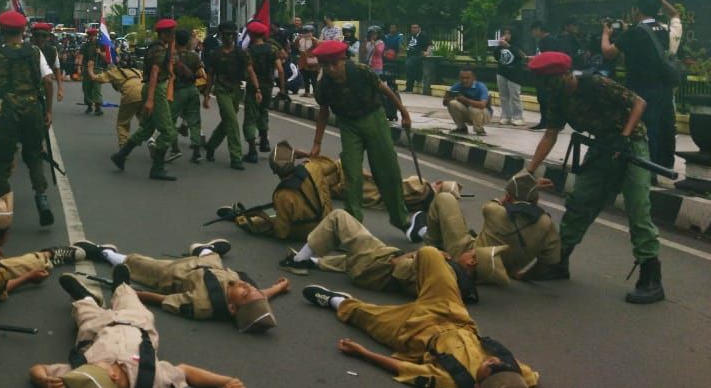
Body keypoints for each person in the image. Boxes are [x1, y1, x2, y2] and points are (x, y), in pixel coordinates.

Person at [302, 246, 539, 388]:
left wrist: (363, 353)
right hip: (452, 312)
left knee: (363, 315)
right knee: (430, 254)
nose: (496, 361)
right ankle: (407, 282)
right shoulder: (518, 375)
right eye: (502, 367)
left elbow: (403, 369)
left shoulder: (454, 382)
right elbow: (532, 378)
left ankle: (336, 300)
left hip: (412, 330)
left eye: (492, 369)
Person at [525, 51, 664, 303]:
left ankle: (650, 275)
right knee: (580, 202)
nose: (546, 86)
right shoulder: (557, 97)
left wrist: (624, 136)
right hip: (602, 146)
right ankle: (558, 261)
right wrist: (528, 170)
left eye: (550, 79)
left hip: (631, 143)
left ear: (567, 74)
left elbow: (639, 103)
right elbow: (550, 134)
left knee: (637, 207)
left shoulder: (595, 84)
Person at [29, 268, 248, 388]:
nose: (95, 365)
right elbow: (186, 372)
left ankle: (86, 297)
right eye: (98, 367)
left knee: (84, 310)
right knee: (128, 295)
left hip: (95, 328)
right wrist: (226, 380)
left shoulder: (82, 379)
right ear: (114, 376)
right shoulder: (152, 380)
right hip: (137, 322)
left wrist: (46, 381)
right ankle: (121, 286)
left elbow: (37, 369)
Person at [76, 237, 286, 332]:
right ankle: (204, 248)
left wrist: (138, 294)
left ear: (232, 308)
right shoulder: (245, 290)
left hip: (178, 273)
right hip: (212, 267)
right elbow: (262, 295)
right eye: (251, 289)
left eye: (244, 293)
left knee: (143, 265)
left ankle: (104, 252)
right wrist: (279, 288)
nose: (247, 286)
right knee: (212, 256)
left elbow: (167, 300)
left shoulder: (203, 303)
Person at [282, 207, 505, 295]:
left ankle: (299, 260)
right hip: (378, 266)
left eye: (472, 253)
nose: (467, 252)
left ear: (472, 263)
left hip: (374, 269)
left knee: (339, 217)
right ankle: (314, 262)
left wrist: (421, 255)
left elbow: (398, 267)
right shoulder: (455, 285)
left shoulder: (444, 269)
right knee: (359, 248)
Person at [309, 40, 412, 230]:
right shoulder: (324, 86)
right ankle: (353, 224)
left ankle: (401, 219)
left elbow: (385, 89)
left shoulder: (361, 71)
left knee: (387, 169)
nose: (331, 69)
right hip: (348, 124)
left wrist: (403, 113)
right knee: (351, 172)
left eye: (335, 64)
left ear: (343, 59)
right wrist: (317, 143)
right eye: (326, 65)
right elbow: (323, 112)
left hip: (373, 118)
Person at [408, 172, 562, 282]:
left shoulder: (494, 210)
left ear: (508, 197)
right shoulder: (547, 224)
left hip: (467, 259)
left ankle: (433, 249)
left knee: (445, 198)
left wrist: (529, 187)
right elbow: (550, 260)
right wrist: (522, 276)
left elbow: (507, 196)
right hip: (503, 272)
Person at [0, 10, 56, 225]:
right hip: (33, 109)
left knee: (3, 159)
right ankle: (42, 199)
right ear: (23, 31)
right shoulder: (34, 52)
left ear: (3, 32)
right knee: (33, 155)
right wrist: (48, 111)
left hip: (10, 110)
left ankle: (2, 207)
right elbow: (48, 81)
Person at [600, 0, 677, 171]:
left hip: (641, 89)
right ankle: (663, 167)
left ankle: (646, 170)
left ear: (637, 10)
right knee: (664, 126)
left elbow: (608, 52)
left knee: (646, 130)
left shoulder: (633, 33)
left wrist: (605, 35)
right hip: (664, 88)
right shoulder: (663, 30)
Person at [214, 141, 337, 242]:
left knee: (265, 220)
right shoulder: (312, 167)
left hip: (311, 232)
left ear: (275, 171)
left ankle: (241, 217)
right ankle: (244, 214)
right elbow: (332, 164)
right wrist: (307, 156)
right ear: (294, 159)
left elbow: (281, 233)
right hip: (328, 222)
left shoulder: (282, 195)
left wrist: (265, 217)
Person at [110, 19, 180, 181]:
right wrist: (150, 100)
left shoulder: (159, 48)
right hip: (155, 90)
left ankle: (121, 155)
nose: (173, 36)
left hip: (152, 88)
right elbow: (155, 73)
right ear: (164, 34)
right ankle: (157, 167)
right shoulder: (158, 50)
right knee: (169, 132)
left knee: (147, 129)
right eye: (171, 33)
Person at [202, 21, 259, 170]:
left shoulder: (241, 53)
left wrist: (257, 89)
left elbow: (250, 70)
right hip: (221, 89)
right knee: (232, 122)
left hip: (236, 89)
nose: (229, 37)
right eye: (226, 34)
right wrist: (207, 95)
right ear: (221, 35)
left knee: (228, 121)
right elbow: (211, 75)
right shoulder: (215, 53)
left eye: (232, 34)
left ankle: (211, 146)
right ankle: (236, 157)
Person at [243, 21, 283, 157]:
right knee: (263, 112)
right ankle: (264, 139)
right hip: (268, 86)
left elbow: (250, 71)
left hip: (254, 88)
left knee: (250, 117)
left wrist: (257, 88)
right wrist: (282, 89)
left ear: (252, 35)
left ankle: (252, 151)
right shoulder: (272, 49)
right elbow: (281, 70)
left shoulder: (249, 51)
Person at [88, 58, 144, 147]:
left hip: (130, 92)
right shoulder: (136, 71)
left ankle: (124, 147)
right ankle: (152, 140)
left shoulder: (113, 72)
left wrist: (90, 68)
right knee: (145, 121)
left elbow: (95, 78)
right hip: (144, 92)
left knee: (122, 123)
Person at [171, 28, 206, 163]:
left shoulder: (172, 56)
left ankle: (174, 147)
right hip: (192, 90)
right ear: (187, 41)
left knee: (170, 120)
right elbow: (201, 74)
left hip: (177, 91)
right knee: (195, 121)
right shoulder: (194, 56)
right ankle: (196, 152)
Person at [492, 27, 527, 126]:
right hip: (502, 72)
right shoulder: (502, 45)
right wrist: (498, 46)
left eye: (509, 34)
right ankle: (505, 116)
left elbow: (521, 56)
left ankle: (518, 117)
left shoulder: (517, 45)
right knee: (503, 96)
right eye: (505, 33)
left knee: (514, 96)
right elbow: (496, 56)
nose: (506, 36)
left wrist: (509, 46)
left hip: (514, 74)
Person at [443, 67, 491, 136]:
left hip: (483, 114)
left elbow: (482, 105)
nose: (464, 80)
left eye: (467, 78)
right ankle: (461, 128)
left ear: (474, 78)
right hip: (467, 112)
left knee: (474, 108)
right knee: (452, 103)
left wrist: (465, 100)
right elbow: (445, 104)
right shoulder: (457, 85)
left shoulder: (481, 86)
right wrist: (447, 99)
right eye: (462, 78)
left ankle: (479, 129)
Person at [31, 22, 65, 103]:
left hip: (45, 86)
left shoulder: (52, 50)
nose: (40, 38)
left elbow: (57, 69)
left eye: (44, 36)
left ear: (48, 37)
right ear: (34, 37)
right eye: (37, 36)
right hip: (29, 87)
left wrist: (60, 89)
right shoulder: (27, 49)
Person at [79, 26, 105, 116]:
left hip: (97, 68)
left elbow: (106, 58)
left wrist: (100, 52)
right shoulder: (85, 46)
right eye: (90, 35)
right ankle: (89, 105)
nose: (91, 37)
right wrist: (79, 68)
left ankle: (98, 106)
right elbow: (81, 57)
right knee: (86, 88)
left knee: (97, 88)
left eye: (93, 35)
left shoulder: (101, 45)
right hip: (86, 68)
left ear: (96, 35)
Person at [402, 23, 431, 94]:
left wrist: (427, 52)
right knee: (409, 68)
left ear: (419, 28)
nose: (414, 29)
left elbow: (429, 45)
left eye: (415, 28)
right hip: (410, 56)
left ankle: (412, 84)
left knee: (409, 65)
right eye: (412, 28)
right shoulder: (410, 37)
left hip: (419, 55)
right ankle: (410, 86)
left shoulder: (423, 36)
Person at [295, 24, 318, 96]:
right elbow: (296, 46)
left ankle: (315, 92)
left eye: (309, 32)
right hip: (303, 61)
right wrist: (297, 39)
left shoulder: (314, 40)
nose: (307, 34)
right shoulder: (301, 40)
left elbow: (317, 47)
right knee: (305, 78)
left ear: (312, 32)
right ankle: (307, 92)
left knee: (313, 78)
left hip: (312, 62)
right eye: (305, 32)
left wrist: (312, 40)